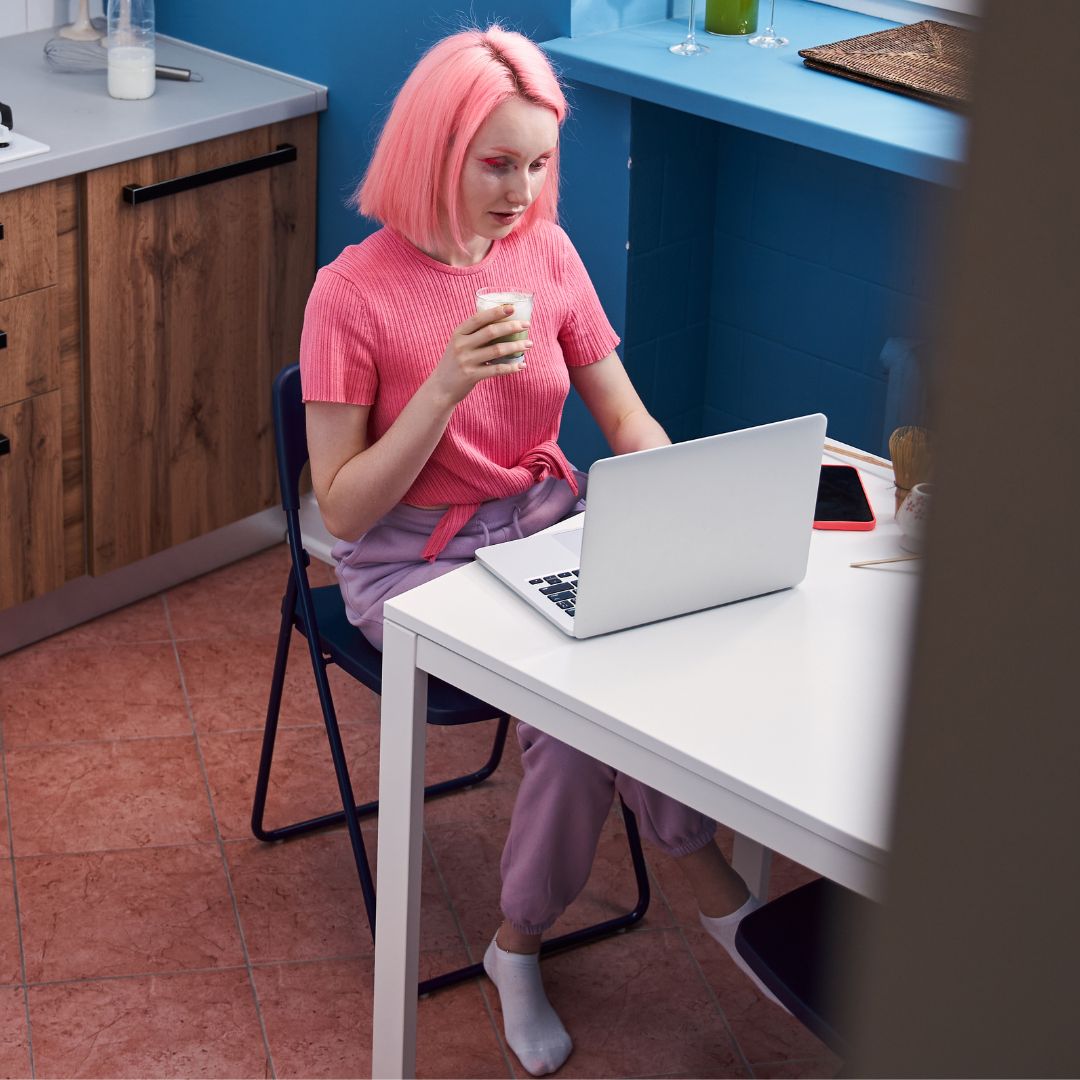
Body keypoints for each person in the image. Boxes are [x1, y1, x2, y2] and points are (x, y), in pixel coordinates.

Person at [299, 25, 783, 1077]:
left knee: (656, 651)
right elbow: (339, 511)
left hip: (542, 528)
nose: (522, 190)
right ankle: (579, 926)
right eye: (498, 163)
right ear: (438, 151)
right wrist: (442, 387)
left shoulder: (546, 256)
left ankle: (554, 923)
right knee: (573, 724)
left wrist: (676, 502)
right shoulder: (352, 293)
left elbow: (627, 418)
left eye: (540, 162)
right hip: (410, 565)